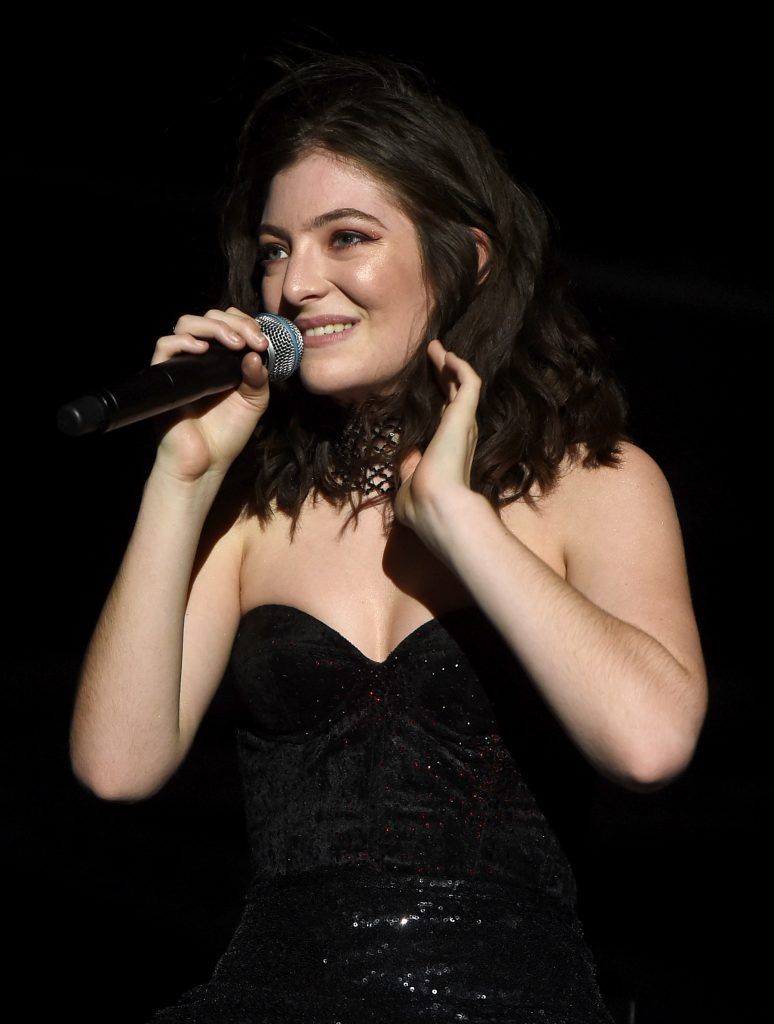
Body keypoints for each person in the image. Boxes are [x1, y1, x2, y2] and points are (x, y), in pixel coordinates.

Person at [69, 48, 708, 1023]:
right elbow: (118, 765)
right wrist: (182, 477)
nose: (299, 283)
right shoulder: (249, 512)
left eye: (347, 238)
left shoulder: (596, 479)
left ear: (466, 258)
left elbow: (651, 742)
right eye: (278, 248)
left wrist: (457, 519)